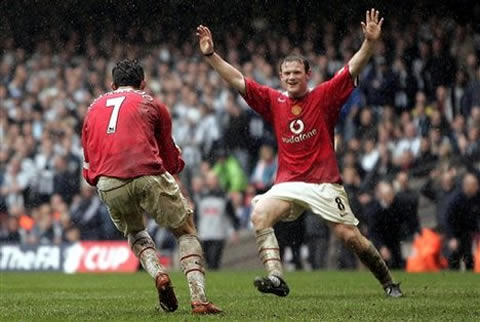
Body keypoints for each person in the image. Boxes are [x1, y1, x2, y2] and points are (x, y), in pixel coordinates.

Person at [197, 9, 403, 297]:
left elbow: (353, 67)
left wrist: (369, 43)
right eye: (287, 73)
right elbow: (238, 80)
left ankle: (389, 283)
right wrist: (211, 56)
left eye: (297, 72)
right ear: (281, 77)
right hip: (288, 183)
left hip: (323, 182)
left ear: (308, 75)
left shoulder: (324, 95)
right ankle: (277, 278)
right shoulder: (274, 100)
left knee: (349, 237)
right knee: (260, 215)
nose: (292, 77)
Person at [81, 59, 222, 314]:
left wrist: (100, 180)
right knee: (186, 230)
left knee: (135, 232)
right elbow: (169, 158)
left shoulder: (92, 108)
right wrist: (174, 165)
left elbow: (88, 159)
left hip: (109, 181)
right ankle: (199, 298)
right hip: (147, 173)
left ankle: (158, 273)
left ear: (112, 85)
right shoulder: (152, 103)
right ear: (143, 83)